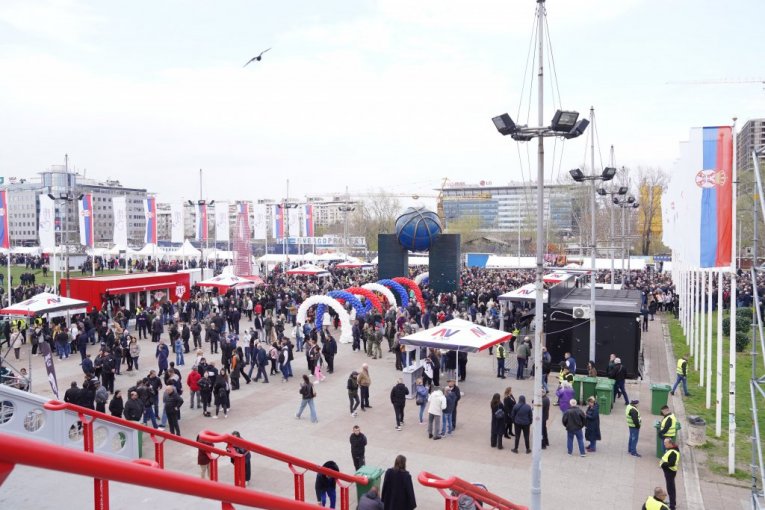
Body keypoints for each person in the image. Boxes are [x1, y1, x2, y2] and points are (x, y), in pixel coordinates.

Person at [660, 438, 680, 510]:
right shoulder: (671, 449)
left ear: (670, 444)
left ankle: (672, 506)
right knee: (670, 488)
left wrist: (663, 464)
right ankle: (672, 502)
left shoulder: (673, 452)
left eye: (665, 443)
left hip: (670, 472)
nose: (664, 444)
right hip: (670, 472)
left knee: (670, 489)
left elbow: (672, 463)